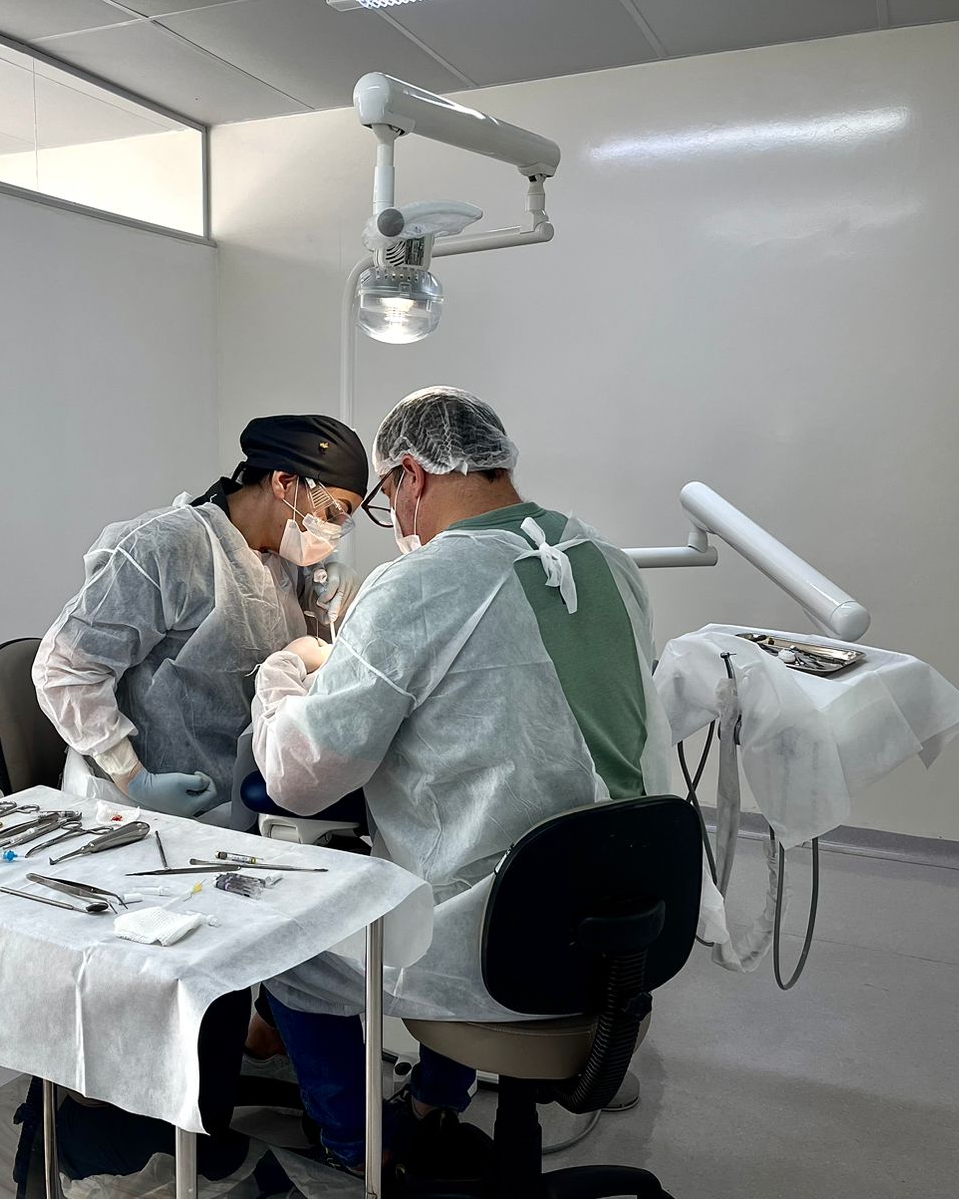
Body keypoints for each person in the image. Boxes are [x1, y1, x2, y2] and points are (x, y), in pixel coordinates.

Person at [247, 387, 674, 1174]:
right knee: (467, 874)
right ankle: (434, 1098)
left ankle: (358, 1150)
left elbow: (301, 780)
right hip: (629, 923)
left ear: (411, 475)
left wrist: (283, 674)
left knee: (289, 944)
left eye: (385, 500)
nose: (395, 522)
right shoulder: (607, 559)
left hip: (502, 941)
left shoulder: (418, 583)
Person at [33, 414, 369, 818]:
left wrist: (326, 597)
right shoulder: (167, 547)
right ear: (284, 482)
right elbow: (64, 669)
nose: (332, 533)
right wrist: (134, 778)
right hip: (134, 808)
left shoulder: (285, 561)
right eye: (331, 514)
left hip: (235, 798)